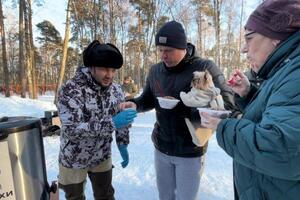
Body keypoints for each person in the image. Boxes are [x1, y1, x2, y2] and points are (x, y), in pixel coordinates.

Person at [122, 20, 236, 200]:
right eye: (160, 50)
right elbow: (149, 98)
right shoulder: (155, 71)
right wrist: (135, 104)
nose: (163, 56)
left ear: (182, 48)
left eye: (168, 51)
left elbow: (228, 106)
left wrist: (191, 110)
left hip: (190, 150)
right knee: (165, 196)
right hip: (162, 145)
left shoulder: (204, 68)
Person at [200, 0, 300, 199]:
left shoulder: (296, 72)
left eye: (249, 38)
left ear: (276, 37)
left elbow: (282, 149)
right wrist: (250, 94)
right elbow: (281, 109)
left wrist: (224, 126)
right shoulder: (285, 69)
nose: (244, 50)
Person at [57, 40, 137, 200]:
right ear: (91, 67)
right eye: (104, 69)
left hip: (102, 155)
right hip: (74, 158)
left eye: (113, 70)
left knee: (106, 195)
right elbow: (73, 130)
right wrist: (112, 123)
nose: (110, 75)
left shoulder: (116, 90)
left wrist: (123, 143)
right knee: (75, 197)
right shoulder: (71, 89)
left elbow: (121, 120)